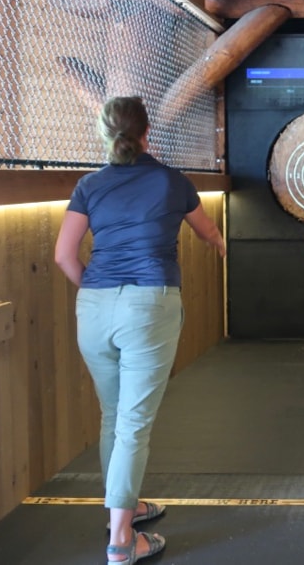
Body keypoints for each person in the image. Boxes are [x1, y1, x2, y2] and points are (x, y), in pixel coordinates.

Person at [55, 96, 226, 564]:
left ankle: (122, 508)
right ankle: (122, 541)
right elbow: (207, 231)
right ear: (147, 132)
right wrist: (222, 246)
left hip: (93, 306)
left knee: (114, 417)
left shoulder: (89, 185)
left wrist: (96, 289)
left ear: (105, 134)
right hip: (149, 305)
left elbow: (65, 256)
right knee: (133, 425)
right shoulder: (170, 182)